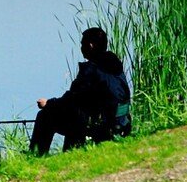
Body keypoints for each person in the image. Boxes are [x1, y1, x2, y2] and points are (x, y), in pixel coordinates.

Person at [31, 27, 131, 155]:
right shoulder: (115, 66)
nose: (81, 47)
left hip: (104, 127)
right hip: (121, 124)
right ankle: (71, 150)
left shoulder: (91, 70)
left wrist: (48, 104)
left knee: (45, 116)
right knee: (77, 112)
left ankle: (36, 156)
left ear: (90, 45)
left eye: (82, 44)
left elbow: (71, 99)